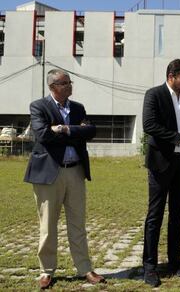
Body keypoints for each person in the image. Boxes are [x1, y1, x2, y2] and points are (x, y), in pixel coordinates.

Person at [24, 69, 105, 289]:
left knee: (78, 224)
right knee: (48, 225)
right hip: (49, 173)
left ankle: (85, 269)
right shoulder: (38, 107)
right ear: (53, 87)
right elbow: (43, 135)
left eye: (70, 82)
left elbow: (91, 131)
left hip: (76, 171)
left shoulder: (78, 108)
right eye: (65, 83)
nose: (70, 86)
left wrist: (65, 129)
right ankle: (46, 271)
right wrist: (74, 132)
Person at [142, 59, 180, 287]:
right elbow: (150, 125)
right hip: (160, 164)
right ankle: (149, 267)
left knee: (177, 215)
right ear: (171, 76)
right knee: (155, 215)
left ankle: (175, 263)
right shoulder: (154, 95)